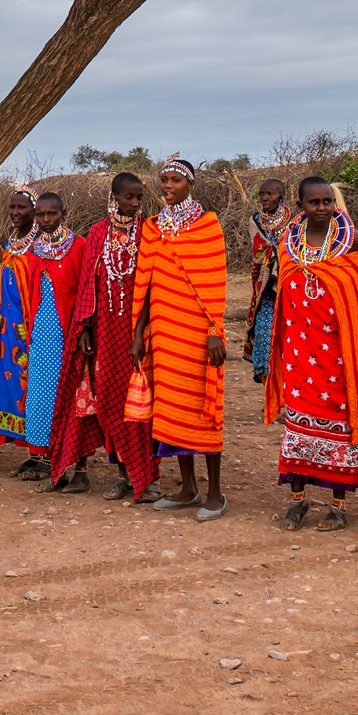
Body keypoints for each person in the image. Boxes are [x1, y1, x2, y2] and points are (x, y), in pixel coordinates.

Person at [267, 176, 358, 531]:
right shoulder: (289, 243)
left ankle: (337, 506)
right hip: (300, 353)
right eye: (314, 202)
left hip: (338, 354)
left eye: (327, 201)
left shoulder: (353, 241)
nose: (322, 208)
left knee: (341, 428)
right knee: (297, 427)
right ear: (300, 206)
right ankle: (298, 502)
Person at [50, 172, 160, 502]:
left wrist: (144, 332)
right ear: (114, 197)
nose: (136, 203)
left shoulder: (150, 233)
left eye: (140, 197)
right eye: (129, 197)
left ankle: (148, 477)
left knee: (141, 404)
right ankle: (123, 474)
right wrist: (84, 329)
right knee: (110, 400)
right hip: (104, 333)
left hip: (141, 332)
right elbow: (87, 286)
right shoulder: (98, 234)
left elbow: (156, 282)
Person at [135, 157, 230, 520]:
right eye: (164, 180)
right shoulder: (152, 227)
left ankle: (216, 492)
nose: (168, 186)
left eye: (176, 180)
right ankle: (188, 487)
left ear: (191, 185)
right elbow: (144, 285)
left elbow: (215, 283)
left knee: (205, 411)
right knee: (173, 410)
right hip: (165, 331)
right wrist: (139, 333)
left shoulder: (208, 226)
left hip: (198, 334)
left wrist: (213, 331)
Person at [23, 193, 87, 483]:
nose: (46, 221)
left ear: (64, 213)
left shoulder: (80, 247)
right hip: (40, 334)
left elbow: (87, 294)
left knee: (72, 397)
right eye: (41, 215)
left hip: (71, 334)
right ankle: (48, 460)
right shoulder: (33, 251)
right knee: (41, 397)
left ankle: (76, 464)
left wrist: (85, 330)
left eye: (52, 214)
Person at [0, 187, 50, 480]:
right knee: (14, 390)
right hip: (8, 331)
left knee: (35, 390)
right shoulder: (9, 245)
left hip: (33, 329)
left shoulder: (43, 245)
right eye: (12, 207)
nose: (15, 213)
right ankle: (33, 452)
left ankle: (45, 455)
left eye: (21, 208)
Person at [243, 178, 290, 383]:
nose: (264, 198)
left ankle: (286, 398)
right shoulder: (255, 221)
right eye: (262, 194)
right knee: (263, 338)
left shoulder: (294, 221)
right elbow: (258, 254)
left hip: (288, 288)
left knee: (289, 342)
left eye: (270, 194)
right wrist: (273, 255)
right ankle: (270, 394)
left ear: (281, 195)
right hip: (265, 289)